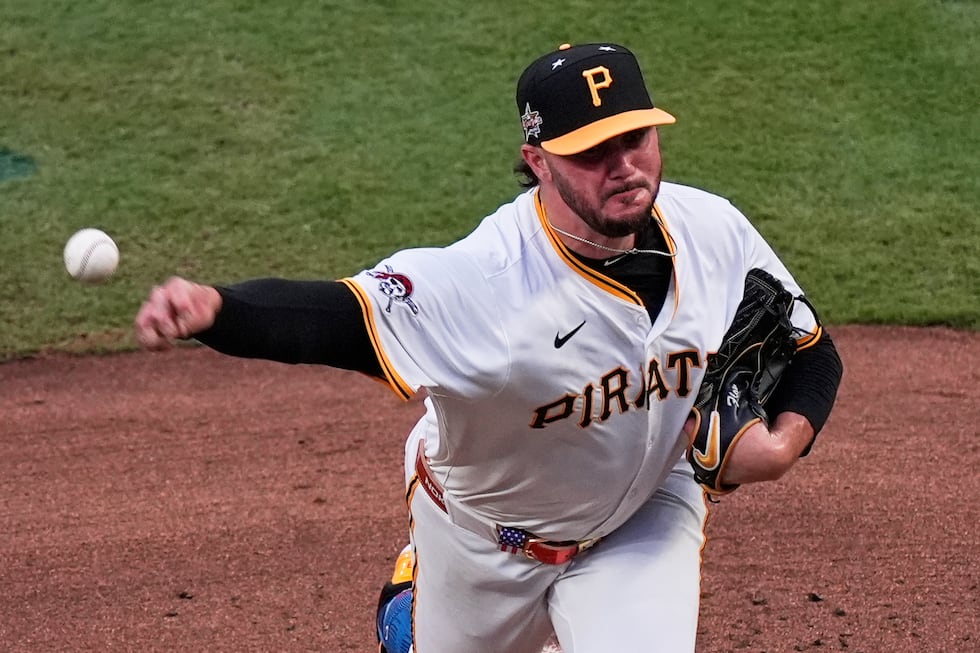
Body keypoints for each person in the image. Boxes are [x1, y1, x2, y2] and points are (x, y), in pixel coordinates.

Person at [134, 42, 843, 653]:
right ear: (538, 160)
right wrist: (218, 310)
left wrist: (782, 445)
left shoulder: (712, 229)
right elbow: (341, 318)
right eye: (592, 151)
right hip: (484, 543)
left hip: (644, 520)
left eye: (636, 138)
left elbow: (811, 351)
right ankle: (413, 599)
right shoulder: (487, 283)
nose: (624, 165)